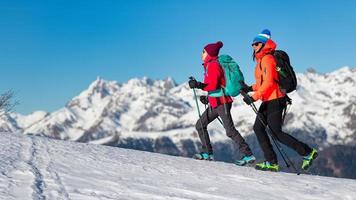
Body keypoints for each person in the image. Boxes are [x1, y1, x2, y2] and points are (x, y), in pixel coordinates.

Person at [241, 29, 318, 171]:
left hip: (276, 100)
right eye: (252, 44)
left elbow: (270, 83)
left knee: (276, 133)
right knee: (258, 128)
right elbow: (262, 83)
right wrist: (249, 88)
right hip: (268, 99)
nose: (253, 46)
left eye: (256, 44)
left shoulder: (268, 59)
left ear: (264, 44)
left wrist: (254, 97)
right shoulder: (261, 61)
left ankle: (307, 152)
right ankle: (272, 161)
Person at [188, 41, 255, 165]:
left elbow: (212, 85)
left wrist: (198, 85)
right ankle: (207, 153)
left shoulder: (213, 65)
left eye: (203, 51)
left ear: (209, 53)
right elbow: (217, 86)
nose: (201, 53)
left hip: (222, 103)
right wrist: (208, 98)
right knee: (200, 125)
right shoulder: (209, 65)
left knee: (229, 130)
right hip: (216, 102)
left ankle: (248, 155)